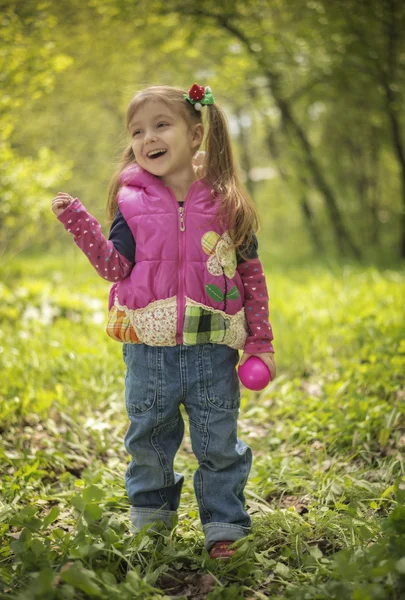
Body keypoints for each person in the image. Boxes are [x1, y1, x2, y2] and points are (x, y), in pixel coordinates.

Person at [52, 83, 276, 559]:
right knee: (149, 438)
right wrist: (80, 223)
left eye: (160, 124)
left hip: (213, 347)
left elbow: (251, 275)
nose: (146, 137)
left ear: (195, 135)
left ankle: (224, 527)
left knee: (219, 441)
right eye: (137, 130)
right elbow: (114, 269)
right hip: (147, 347)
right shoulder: (130, 201)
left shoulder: (227, 200)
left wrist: (261, 342)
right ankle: (152, 525)